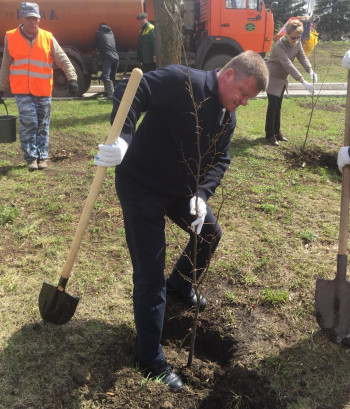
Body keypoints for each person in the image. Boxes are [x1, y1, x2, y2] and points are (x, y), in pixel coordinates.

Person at [94, 51, 269, 389]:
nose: (243, 102)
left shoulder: (226, 118)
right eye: (242, 93)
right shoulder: (182, 81)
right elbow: (133, 90)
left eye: (248, 99)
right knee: (149, 275)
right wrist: (122, 138)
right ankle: (149, 360)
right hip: (140, 184)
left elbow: (221, 158)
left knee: (209, 234)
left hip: (181, 191)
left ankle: (181, 284)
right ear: (229, 74)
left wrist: (202, 194)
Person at [0, 2, 79, 170]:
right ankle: (31, 158)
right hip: (22, 91)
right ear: (22, 18)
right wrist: (1, 87)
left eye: (36, 19)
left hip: (43, 90)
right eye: (29, 19)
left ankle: (42, 157)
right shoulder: (11, 36)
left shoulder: (48, 37)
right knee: (29, 123)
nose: (33, 23)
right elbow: (6, 65)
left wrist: (72, 78)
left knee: (43, 124)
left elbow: (63, 59)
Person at [265, 19, 318, 146]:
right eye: (293, 37)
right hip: (272, 77)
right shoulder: (280, 45)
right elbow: (287, 65)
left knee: (278, 106)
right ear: (287, 34)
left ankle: (277, 131)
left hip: (282, 78)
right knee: (272, 106)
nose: (295, 40)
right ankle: (270, 134)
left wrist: (310, 70)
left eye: (298, 37)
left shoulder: (297, 42)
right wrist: (303, 81)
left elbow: (302, 56)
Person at [92, 23, 119, 99]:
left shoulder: (99, 33)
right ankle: (115, 95)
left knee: (105, 77)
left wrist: (93, 50)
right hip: (116, 58)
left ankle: (110, 95)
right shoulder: (111, 33)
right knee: (112, 77)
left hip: (108, 57)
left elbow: (94, 45)